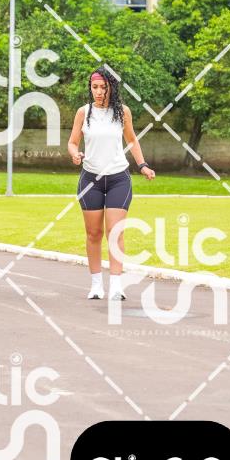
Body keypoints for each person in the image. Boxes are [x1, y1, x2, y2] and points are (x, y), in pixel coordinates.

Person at [67, 67, 155, 301]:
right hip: (90, 180)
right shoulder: (83, 113)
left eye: (103, 87)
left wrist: (143, 165)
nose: (98, 92)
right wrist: (75, 154)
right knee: (93, 233)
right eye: (94, 87)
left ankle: (116, 285)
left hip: (118, 179)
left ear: (111, 88)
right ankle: (96, 285)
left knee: (115, 232)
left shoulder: (122, 112)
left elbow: (132, 140)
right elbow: (73, 142)